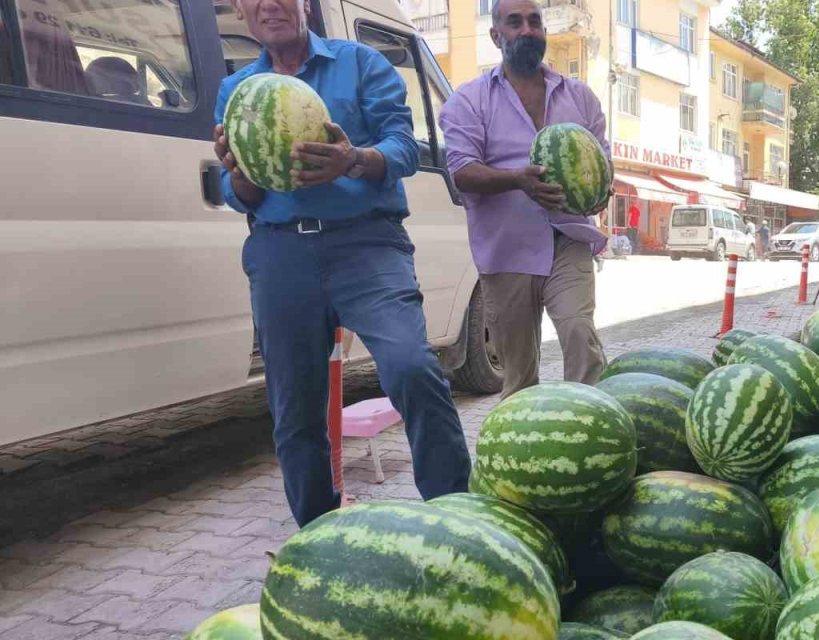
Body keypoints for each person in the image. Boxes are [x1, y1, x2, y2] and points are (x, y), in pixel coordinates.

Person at [212, 0, 469, 527]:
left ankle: (456, 518)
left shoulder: (361, 63)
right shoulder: (236, 90)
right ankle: (317, 532)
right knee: (294, 405)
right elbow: (238, 193)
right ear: (240, 9)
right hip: (281, 251)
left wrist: (353, 159)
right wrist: (238, 172)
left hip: (366, 243)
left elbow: (403, 145)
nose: (268, 5)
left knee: (411, 368)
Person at [440, 0, 610, 399]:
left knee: (579, 334)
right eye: (514, 22)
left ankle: (593, 436)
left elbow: (601, 159)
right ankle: (519, 451)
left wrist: (602, 192)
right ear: (496, 36)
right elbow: (462, 171)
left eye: (535, 21)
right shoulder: (469, 100)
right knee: (517, 373)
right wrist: (519, 180)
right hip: (507, 248)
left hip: (567, 236)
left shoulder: (580, 96)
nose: (527, 30)